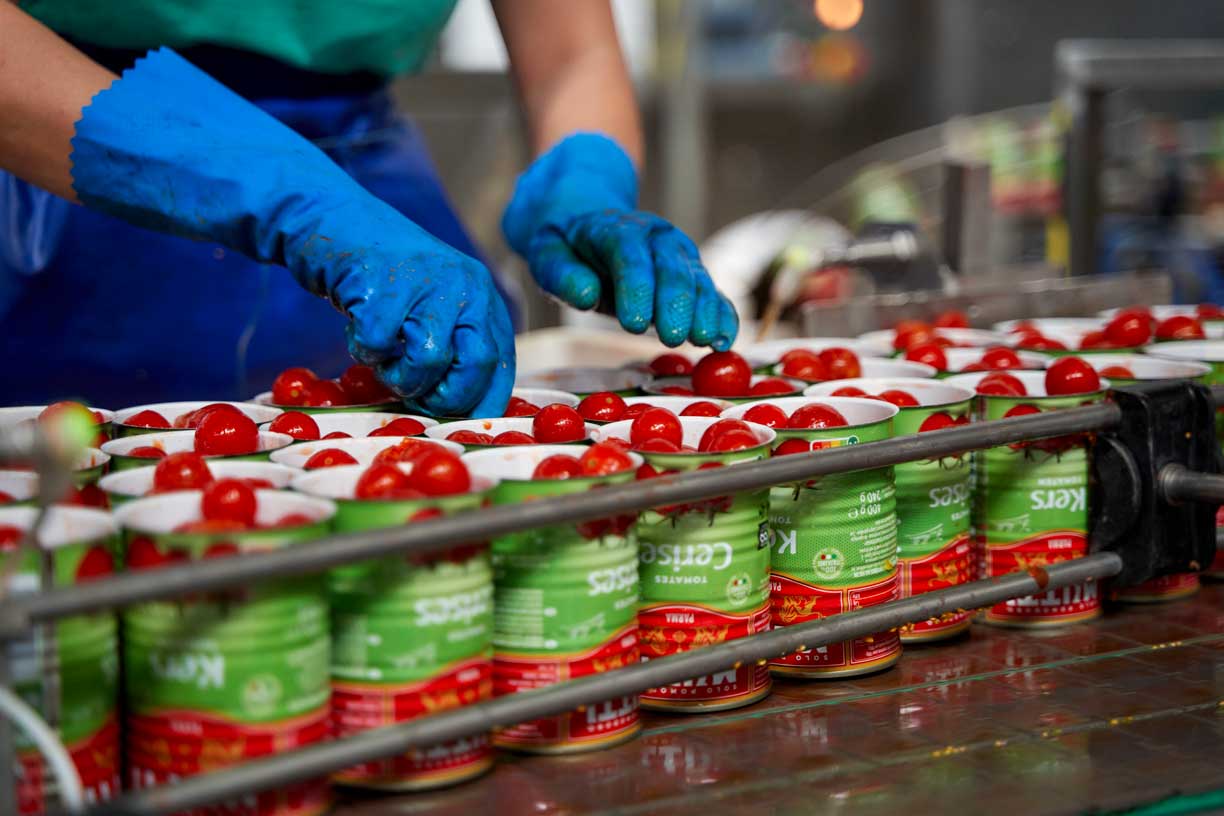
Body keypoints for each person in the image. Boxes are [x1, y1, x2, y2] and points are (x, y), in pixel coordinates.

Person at [0, 1, 738, 417]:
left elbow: (572, 52)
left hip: (367, 167)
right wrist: (273, 183)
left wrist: (584, 183)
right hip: (70, 150)